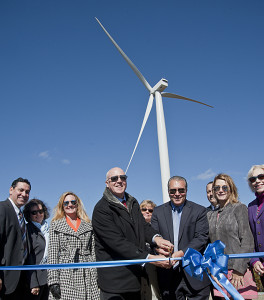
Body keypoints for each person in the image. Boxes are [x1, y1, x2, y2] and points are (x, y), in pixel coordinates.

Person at [92, 167, 174, 300]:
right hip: (115, 283)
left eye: (122, 177)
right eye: (114, 178)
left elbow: (143, 226)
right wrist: (150, 258)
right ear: (107, 183)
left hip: (135, 279)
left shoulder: (133, 202)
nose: (119, 181)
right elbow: (117, 243)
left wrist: (157, 238)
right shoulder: (101, 209)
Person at [151, 175, 211, 300]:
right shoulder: (158, 212)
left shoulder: (199, 211)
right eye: (173, 191)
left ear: (186, 191)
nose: (177, 194)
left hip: (195, 274)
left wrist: (180, 254)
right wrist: (159, 250)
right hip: (168, 275)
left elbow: (201, 238)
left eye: (181, 190)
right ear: (168, 192)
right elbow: (153, 237)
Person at [208, 173, 257, 299]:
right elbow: (209, 244)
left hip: (238, 274)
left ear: (231, 189)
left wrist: (239, 270)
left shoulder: (239, 208)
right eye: (217, 188)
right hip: (218, 274)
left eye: (224, 187)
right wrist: (212, 270)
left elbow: (247, 240)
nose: (220, 190)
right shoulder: (210, 215)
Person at [48, 192, 99, 300]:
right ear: (62, 206)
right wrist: (53, 281)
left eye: (73, 202)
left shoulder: (88, 225)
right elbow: (52, 254)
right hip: (66, 273)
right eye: (66, 203)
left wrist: (96, 275)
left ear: (77, 204)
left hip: (88, 271)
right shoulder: (55, 225)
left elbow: (93, 251)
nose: (69, 205)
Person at [0, 177, 31, 300]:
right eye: (21, 190)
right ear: (11, 190)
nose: (24, 194)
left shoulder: (21, 216)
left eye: (27, 192)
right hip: (5, 278)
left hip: (19, 280)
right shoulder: (2, 209)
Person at [24, 199, 50, 299]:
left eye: (40, 211)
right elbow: (28, 257)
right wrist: (33, 283)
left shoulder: (49, 229)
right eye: (34, 212)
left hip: (49, 279)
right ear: (28, 215)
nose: (38, 214)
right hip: (36, 282)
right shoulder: (27, 230)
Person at [140, 200, 161, 300]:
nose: (147, 211)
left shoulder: (158, 227)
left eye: (150, 210)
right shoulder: (135, 227)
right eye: (144, 209)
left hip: (154, 266)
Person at [247, 165, 264, 286]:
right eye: (253, 179)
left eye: (261, 177)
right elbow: (249, 236)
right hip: (261, 267)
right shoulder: (251, 206)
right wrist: (254, 260)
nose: (257, 181)